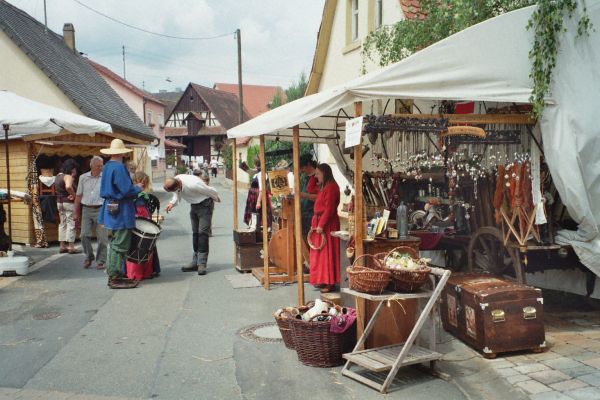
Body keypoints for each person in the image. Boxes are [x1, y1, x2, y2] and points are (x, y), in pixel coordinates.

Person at [98, 139, 141, 289]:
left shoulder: (107, 167)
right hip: (121, 209)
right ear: (122, 153)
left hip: (110, 208)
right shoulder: (118, 168)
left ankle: (116, 273)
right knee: (120, 243)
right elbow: (126, 190)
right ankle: (115, 276)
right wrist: (137, 188)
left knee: (116, 241)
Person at [164, 174, 220, 275]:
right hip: (194, 205)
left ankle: (202, 263)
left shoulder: (193, 184)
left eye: (175, 189)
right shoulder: (176, 180)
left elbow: (209, 190)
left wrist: (215, 196)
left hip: (205, 204)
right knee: (195, 233)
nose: (175, 192)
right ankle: (195, 261)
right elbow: (176, 195)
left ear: (179, 185)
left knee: (202, 233)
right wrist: (172, 203)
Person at [309, 163, 340, 293]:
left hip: (327, 224)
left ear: (325, 173)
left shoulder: (332, 187)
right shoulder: (324, 186)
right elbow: (310, 188)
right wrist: (312, 174)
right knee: (320, 255)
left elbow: (329, 209)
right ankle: (322, 280)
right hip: (319, 222)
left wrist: (321, 225)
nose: (316, 177)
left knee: (327, 254)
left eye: (318, 174)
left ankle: (330, 282)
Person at [75, 156, 108, 269]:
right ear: (92, 166)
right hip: (86, 209)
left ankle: (101, 260)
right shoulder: (83, 178)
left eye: (101, 165)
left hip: (101, 209)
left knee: (103, 238)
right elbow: (78, 196)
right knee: (84, 235)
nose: (101, 167)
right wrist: (76, 212)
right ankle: (89, 256)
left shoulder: (105, 177)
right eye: (99, 166)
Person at [125, 172, 159, 281]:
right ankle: (143, 273)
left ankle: (134, 273)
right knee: (144, 248)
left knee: (133, 248)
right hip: (142, 224)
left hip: (133, 222)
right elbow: (142, 212)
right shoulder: (142, 196)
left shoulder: (130, 192)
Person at [56, 158, 80, 254]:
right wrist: (74, 196)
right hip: (68, 202)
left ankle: (62, 246)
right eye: (74, 169)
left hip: (59, 202)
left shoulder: (58, 176)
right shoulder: (67, 176)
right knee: (71, 224)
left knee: (62, 223)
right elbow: (68, 186)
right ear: (72, 168)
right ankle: (71, 247)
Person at [299, 155, 319, 237]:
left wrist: (302, 195)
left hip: (313, 215)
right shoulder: (307, 178)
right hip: (304, 214)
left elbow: (319, 197)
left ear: (308, 164)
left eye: (302, 167)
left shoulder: (318, 178)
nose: (301, 171)